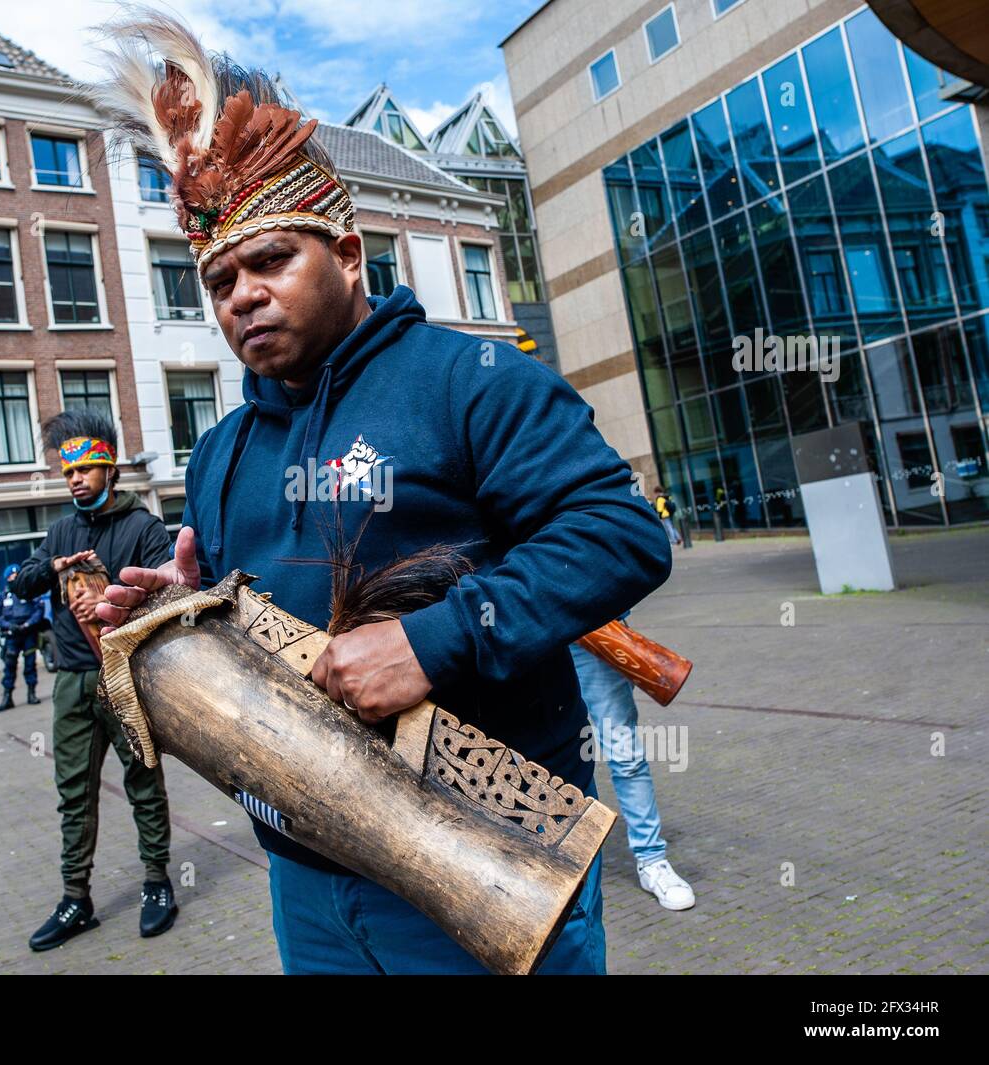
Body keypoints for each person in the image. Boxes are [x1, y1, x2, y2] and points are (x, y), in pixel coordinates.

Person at [90, 11, 673, 975]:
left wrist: (430, 642)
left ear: (350, 254)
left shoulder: (470, 378)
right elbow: (256, 635)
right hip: (305, 881)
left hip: (483, 863)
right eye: (219, 277)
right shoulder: (220, 453)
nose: (242, 293)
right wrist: (179, 619)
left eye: (272, 259)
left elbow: (619, 535)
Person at [11, 408, 179, 950]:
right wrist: (55, 568)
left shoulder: (144, 528)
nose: (75, 478)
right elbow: (23, 584)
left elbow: (169, 601)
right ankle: (75, 898)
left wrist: (109, 595)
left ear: (109, 467)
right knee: (73, 794)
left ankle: (157, 883)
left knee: (143, 782)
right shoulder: (61, 528)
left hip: (127, 677)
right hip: (72, 682)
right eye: (66, 472)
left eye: (84, 467)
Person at [571, 629, 695, 911]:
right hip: (526, 629)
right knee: (534, 754)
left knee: (625, 754)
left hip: (592, 632)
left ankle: (652, 861)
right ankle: (545, 856)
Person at [0, 563, 44, 712]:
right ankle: (7, 698)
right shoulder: (3, 596)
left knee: (30, 664)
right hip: (12, 635)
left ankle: (32, 694)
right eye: (12, 577)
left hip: (28, 633)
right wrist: (8, 626)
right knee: (9, 666)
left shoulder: (30, 593)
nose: (15, 579)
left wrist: (28, 624)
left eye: (17, 576)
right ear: (7, 578)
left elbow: (39, 610)